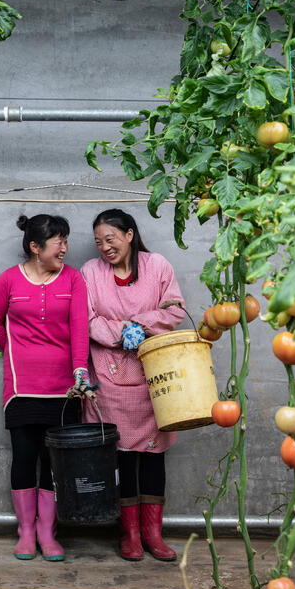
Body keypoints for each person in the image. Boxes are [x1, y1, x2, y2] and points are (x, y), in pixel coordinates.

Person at [0, 214, 93, 562]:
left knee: (54, 461)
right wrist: (15, 351)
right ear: (35, 247)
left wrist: (80, 371)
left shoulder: (73, 279)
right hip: (21, 387)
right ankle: (26, 532)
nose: (65, 248)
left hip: (65, 388)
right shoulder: (8, 280)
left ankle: (47, 531)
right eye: (59, 241)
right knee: (24, 456)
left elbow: (79, 328)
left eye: (66, 241)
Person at [80, 209, 185, 561]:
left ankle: (154, 534)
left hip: (154, 377)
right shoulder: (90, 272)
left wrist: (140, 324)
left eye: (110, 239)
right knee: (121, 457)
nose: (104, 247)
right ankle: (130, 534)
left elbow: (175, 309)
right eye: (98, 242)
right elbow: (87, 318)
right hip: (109, 377)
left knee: (154, 456)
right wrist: (121, 333)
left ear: (129, 234)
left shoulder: (158, 266)